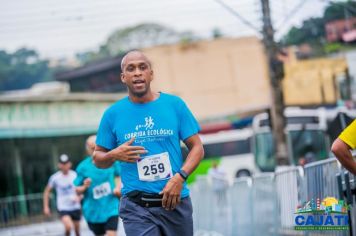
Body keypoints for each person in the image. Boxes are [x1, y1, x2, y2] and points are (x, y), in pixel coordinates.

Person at [93, 50, 204, 236]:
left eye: (142, 67)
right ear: (123, 77)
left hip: (175, 201)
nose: (137, 72)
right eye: (131, 69)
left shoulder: (174, 105)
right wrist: (113, 154)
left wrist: (180, 177)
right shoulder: (113, 114)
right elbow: (98, 158)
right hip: (137, 208)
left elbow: (197, 148)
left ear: (151, 74)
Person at [74, 135, 122, 236]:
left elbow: (118, 175)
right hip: (93, 211)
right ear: (87, 149)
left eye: (97, 146)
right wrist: (84, 186)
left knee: (111, 234)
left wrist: (117, 187)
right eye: (92, 147)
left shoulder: (111, 160)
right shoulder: (82, 167)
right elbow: (77, 189)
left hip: (111, 206)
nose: (95, 149)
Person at [43, 154, 81, 236]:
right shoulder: (55, 178)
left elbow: (81, 190)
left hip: (75, 206)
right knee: (68, 227)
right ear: (59, 165)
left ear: (70, 164)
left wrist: (79, 197)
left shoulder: (75, 175)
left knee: (77, 231)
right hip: (63, 207)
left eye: (66, 163)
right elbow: (46, 191)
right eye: (63, 164)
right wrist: (46, 207)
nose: (65, 166)